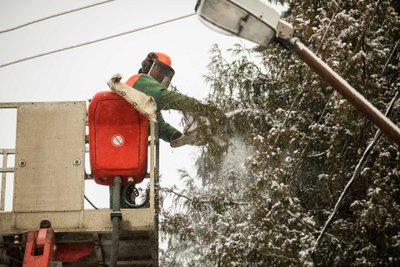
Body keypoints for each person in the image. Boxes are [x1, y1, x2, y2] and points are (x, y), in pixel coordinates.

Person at [125, 51, 222, 147]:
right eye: (161, 70)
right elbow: (165, 97)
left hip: (127, 146)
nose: (162, 76)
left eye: (165, 74)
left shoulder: (148, 105)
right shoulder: (138, 80)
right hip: (121, 138)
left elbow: (160, 127)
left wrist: (188, 138)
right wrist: (202, 108)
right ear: (147, 65)